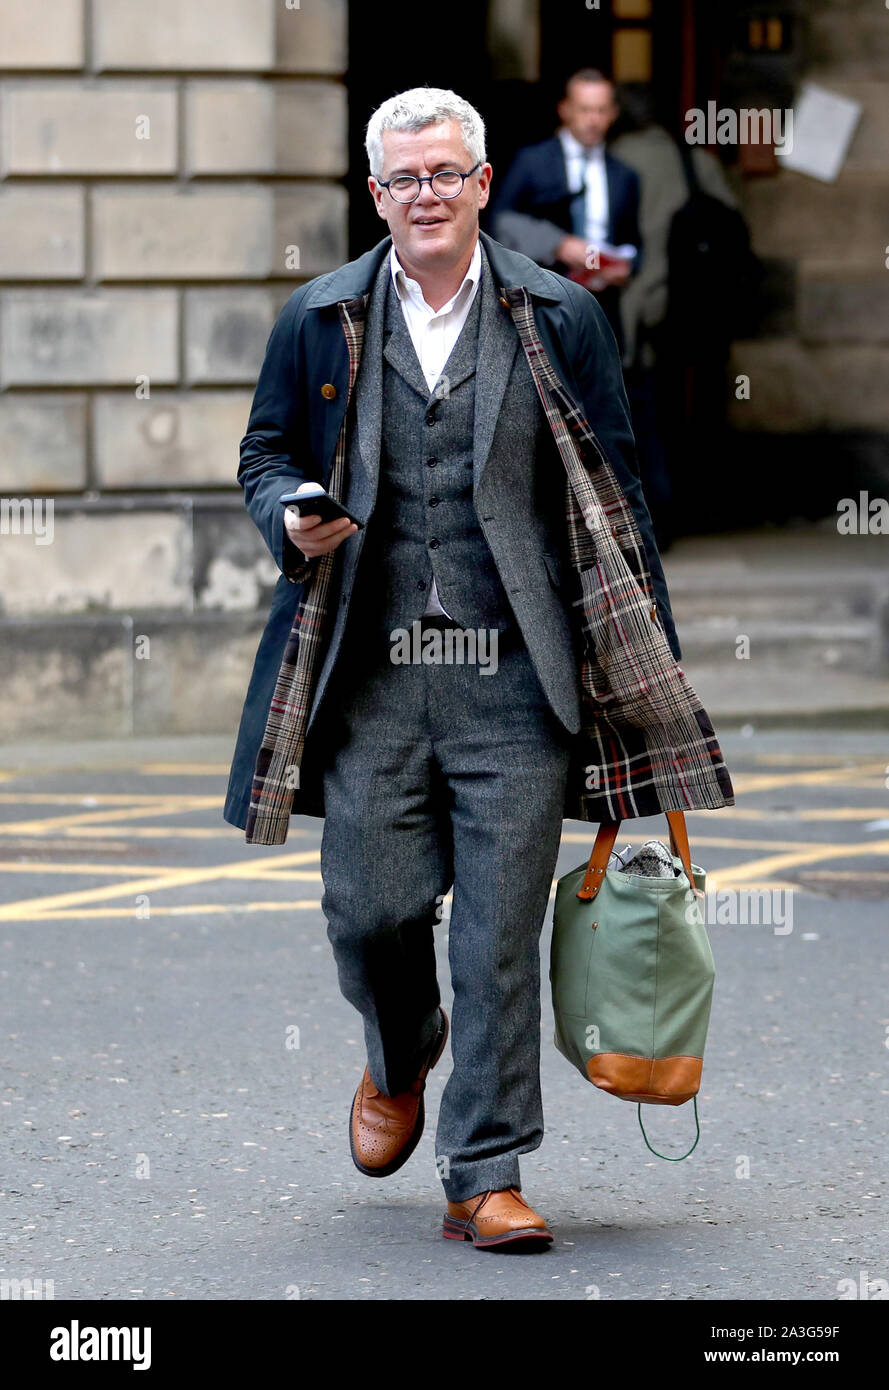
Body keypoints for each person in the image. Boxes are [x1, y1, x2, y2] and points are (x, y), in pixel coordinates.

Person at [223, 86, 733, 1252]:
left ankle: (483, 1172)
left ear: (484, 183)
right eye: (403, 179)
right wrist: (287, 509)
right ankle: (400, 1052)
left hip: (516, 680)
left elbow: (615, 493)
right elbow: (265, 450)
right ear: (375, 195)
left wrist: (638, 680)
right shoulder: (322, 315)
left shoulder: (557, 312)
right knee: (366, 910)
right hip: (373, 675)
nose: (426, 196)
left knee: (496, 936)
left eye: (446, 174)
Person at [608, 84, 744, 543]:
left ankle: (650, 519)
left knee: (635, 415)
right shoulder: (695, 161)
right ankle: (698, 507)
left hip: (631, 307)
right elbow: (732, 229)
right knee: (685, 409)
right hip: (690, 307)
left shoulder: (612, 160)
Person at [489, 68, 641, 352]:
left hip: (603, 308)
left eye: (600, 110)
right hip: (544, 303)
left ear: (613, 114)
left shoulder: (624, 176)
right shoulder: (532, 161)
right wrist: (557, 244)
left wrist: (625, 268)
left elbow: (635, 242)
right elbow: (499, 222)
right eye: (584, 110)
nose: (593, 120)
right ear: (565, 110)